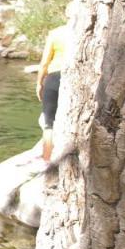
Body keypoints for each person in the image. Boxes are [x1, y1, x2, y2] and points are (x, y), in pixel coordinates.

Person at [36, 17, 71, 163]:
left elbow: (45, 62)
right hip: (74, 77)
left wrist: (39, 83)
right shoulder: (82, 32)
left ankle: (47, 159)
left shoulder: (56, 33)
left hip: (55, 76)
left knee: (48, 122)